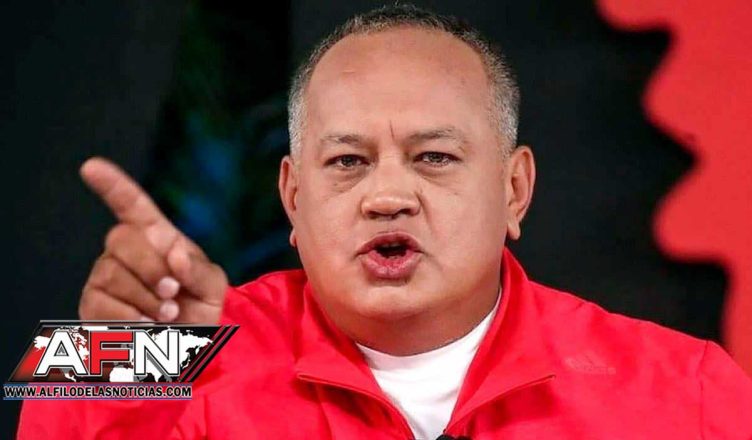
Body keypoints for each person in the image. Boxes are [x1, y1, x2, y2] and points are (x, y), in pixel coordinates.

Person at [17, 5, 752, 439]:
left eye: (433, 157)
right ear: (292, 198)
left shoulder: (689, 390)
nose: (387, 196)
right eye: (347, 161)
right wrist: (129, 361)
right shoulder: (161, 345)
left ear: (515, 190)